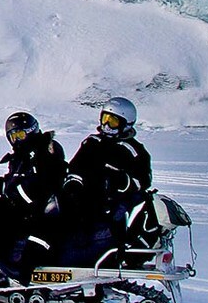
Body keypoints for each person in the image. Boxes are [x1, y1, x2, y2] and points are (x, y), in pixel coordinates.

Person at [0, 111, 66, 285]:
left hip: (40, 211)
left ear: (32, 131)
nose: (17, 140)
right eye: (13, 136)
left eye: (20, 134)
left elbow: (38, 185)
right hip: (27, 207)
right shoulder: (22, 156)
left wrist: (11, 197)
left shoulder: (44, 150)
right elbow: (12, 183)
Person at [61, 96, 152, 260]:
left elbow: (143, 180)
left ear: (126, 124)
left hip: (113, 200)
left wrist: (122, 181)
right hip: (85, 196)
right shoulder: (92, 142)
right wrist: (73, 183)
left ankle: (110, 254)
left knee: (115, 216)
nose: (107, 125)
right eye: (105, 118)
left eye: (113, 121)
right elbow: (76, 166)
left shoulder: (133, 150)